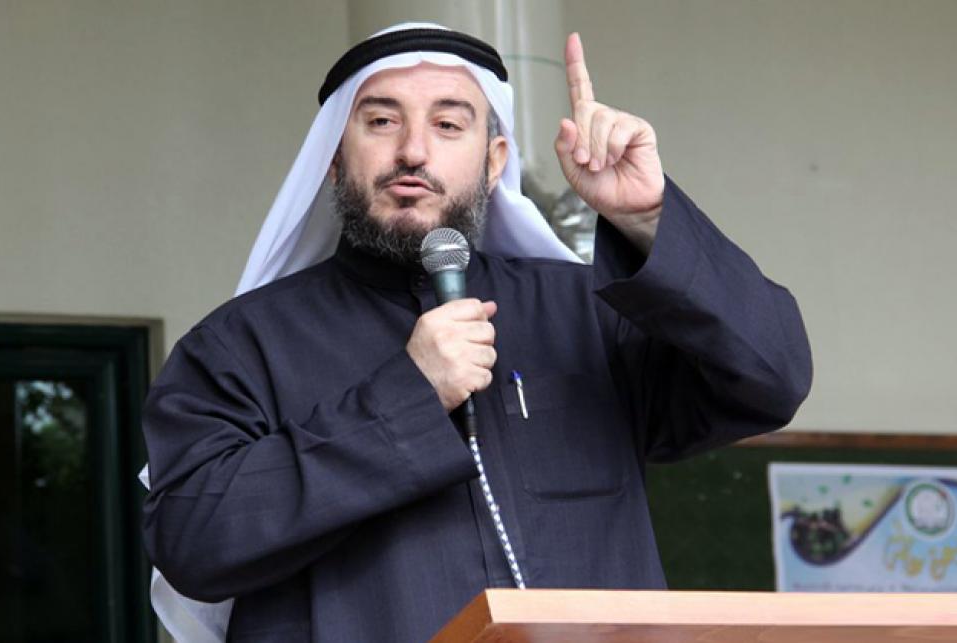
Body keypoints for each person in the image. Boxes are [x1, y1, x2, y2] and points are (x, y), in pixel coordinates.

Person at [141, 22, 812, 643]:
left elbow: (770, 377)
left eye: (448, 124)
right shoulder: (239, 346)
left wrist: (647, 216)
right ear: (334, 160)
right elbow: (191, 540)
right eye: (381, 121)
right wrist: (409, 395)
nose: (413, 151)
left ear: (494, 161)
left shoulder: (585, 315)